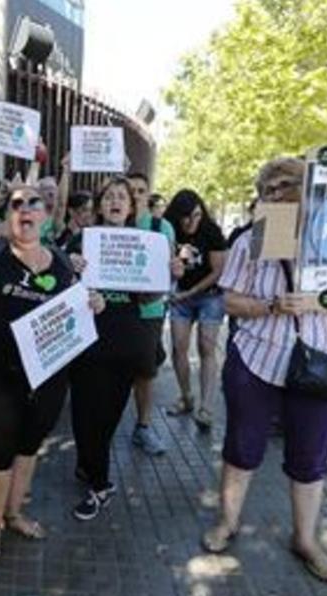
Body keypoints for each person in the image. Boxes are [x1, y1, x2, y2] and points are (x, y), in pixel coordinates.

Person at [0, 130, 102, 564]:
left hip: (48, 377)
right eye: (16, 203)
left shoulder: (61, 261)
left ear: (45, 213)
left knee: (30, 445)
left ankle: (14, 513)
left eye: (34, 202)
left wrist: (95, 299)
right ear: (8, 217)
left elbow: (82, 305)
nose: (26, 208)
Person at [202, 158, 327, 584]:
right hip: (256, 359)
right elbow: (229, 302)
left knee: (310, 457)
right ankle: (227, 523)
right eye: (266, 188)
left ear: (309, 189)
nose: (274, 194)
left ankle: (305, 538)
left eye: (285, 185)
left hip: (317, 362)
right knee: (242, 449)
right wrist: (271, 306)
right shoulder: (251, 239)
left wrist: (321, 301)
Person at [66, 177, 155, 521]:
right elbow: (59, 285)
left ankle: (94, 469)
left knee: (107, 417)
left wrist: (165, 277)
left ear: (131, 207)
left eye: (123, 197)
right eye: (109, 197)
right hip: (85, 339)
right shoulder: (81, 240)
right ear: (99, 206)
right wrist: (74, 276)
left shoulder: (143, 243)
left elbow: (149, 297)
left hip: (125, 341)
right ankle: (99, 481)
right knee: (84, 413)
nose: (116, 201)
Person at [166, 188, 228, 429]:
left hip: (209, 296)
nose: (193, 222)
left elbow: (218, 271)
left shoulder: (211, 231)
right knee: (179, 346)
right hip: (179, 296)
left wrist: (189, 293)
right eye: (188, 217)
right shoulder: (169, 229)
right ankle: (186, 397)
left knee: (206, 347)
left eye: (198, 216)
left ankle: (206, 408)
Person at [128, 173, 180, 454]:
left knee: (146, 373)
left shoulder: (162, 226)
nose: (135, 195)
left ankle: (144, 426)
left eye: (140, 190)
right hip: (115, 310)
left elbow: (169, 265)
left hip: (150, 310)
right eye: (131, 190)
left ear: (148, 194)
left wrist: (175, 271)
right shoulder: (115, 225)